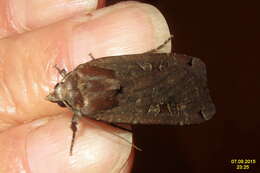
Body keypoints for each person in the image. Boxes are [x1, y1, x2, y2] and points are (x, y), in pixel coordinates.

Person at [0, 0, 171, 172]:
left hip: (139, 101)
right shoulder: (83, 71)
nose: (54, 94)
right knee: (131, 65)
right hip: (140, 79)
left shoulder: (86, 106)